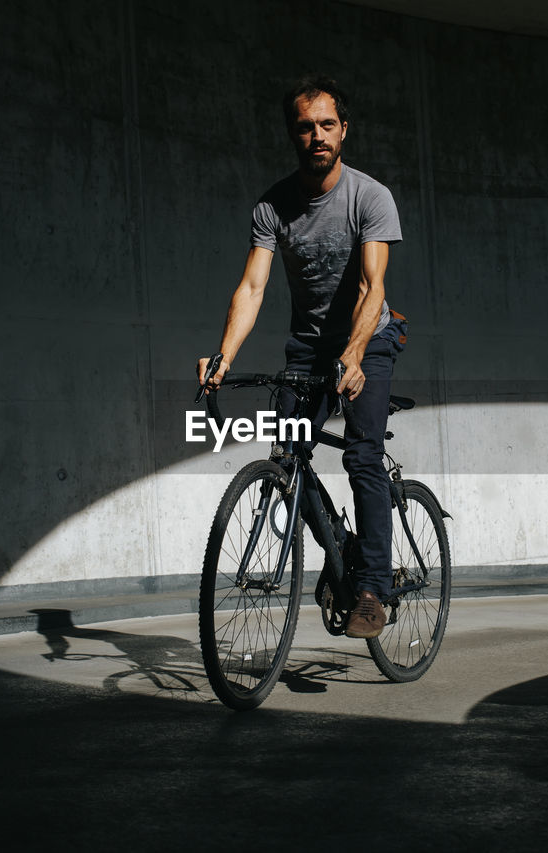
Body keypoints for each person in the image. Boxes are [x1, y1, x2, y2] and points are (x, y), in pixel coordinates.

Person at [196, 75, 406, 640]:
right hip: (307, 347)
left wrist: (356, 354)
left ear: (344, 131)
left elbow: (372, 286)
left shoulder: (370, 197)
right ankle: (342, 551)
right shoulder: (274, 205)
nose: (317, 136)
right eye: (305, 127)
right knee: (287, 458)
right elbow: (253, 288)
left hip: (372, 338)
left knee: (362, 456)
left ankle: (372, 590)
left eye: (327, 125)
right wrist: (223, 355)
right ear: (294, 134)